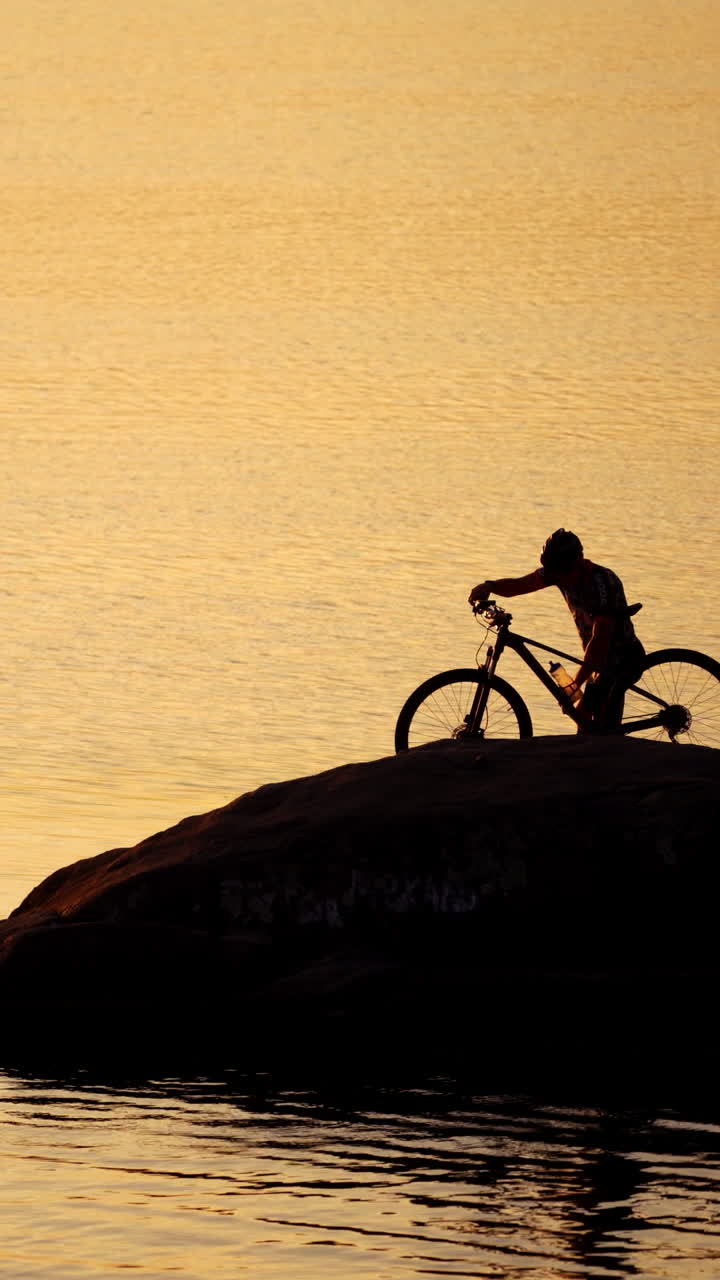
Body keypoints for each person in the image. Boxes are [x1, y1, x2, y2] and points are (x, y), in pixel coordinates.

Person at [468, 529, 646, 732]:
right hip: (598, 662)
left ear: (577, 562)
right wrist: (489, 586)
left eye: (563, 572)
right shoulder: (557, 572)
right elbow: (520, 585)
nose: (560, 578)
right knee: (585, 723)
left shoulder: (601, 583)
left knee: (599, 727)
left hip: (622, 659)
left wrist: (575, 685)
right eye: (554, 571)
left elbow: (600, 640)